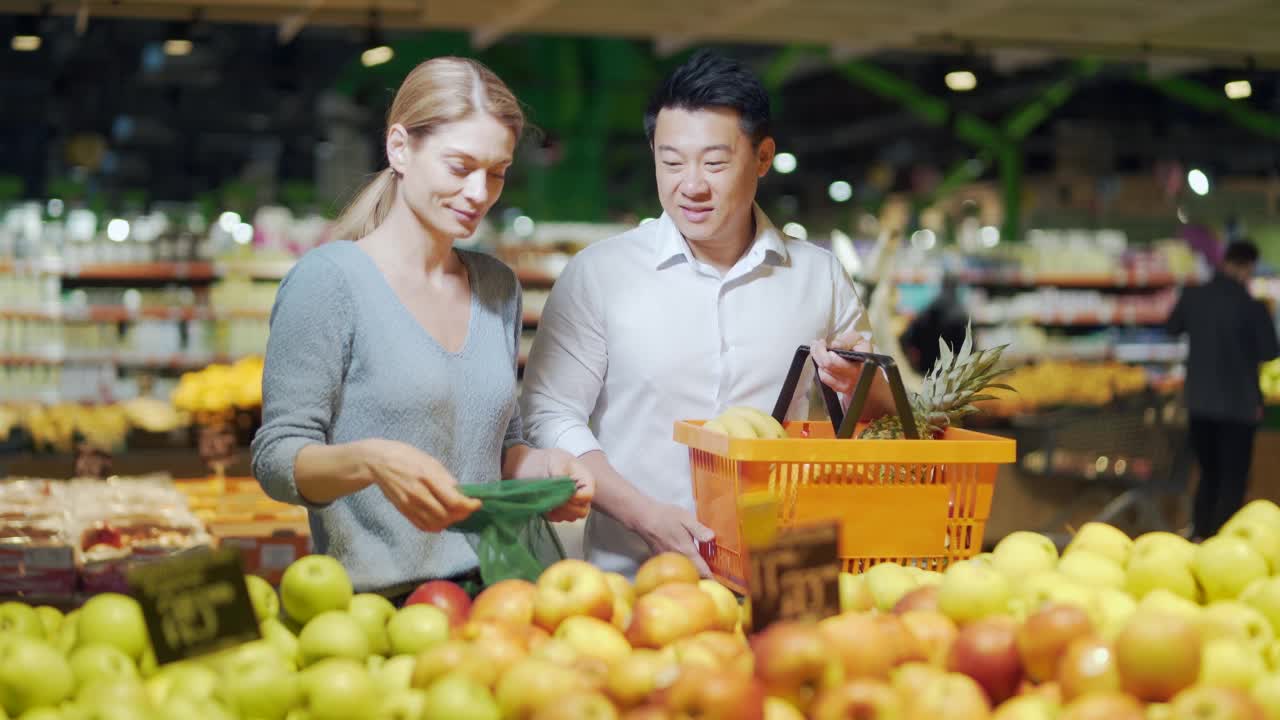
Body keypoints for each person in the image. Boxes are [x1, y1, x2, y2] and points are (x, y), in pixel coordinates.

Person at [520, 50, 891, 578]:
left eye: (715, 163)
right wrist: (644, 515)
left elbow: (882, 419)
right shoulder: (599, 274)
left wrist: (856, 387)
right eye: (671, 162)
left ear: (762, 158)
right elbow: (548, 413)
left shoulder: (819, 277)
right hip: (635, 574)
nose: (691, 185)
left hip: (782, 572)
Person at [251, 57, 593, 601]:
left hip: (497, 595)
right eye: (460, 167)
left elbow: (497, 450)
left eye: (498, 172)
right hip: (375, 606)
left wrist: (550, 471)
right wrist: (371, 461)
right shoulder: (329, 282)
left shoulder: (497, 288)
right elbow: (276, 459)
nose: (480, 193)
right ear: (400, 148)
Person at [1166, 239, 1279, 539]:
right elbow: (1270, 351)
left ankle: (1200, 534)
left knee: (1207, 475)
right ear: (1246, 268)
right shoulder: (1253, 307)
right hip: (1239, 408)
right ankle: (1224, 542)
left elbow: (1172, 327)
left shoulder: (1193, 296)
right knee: (1233, 480)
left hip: (1199, 404)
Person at [900, 274, 969, 375]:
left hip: (925, 366)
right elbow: (967, 347)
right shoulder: (960, 312)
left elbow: (907, 336)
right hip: (951, 370)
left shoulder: (931, 307)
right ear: (957, 287)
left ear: (942, 285)